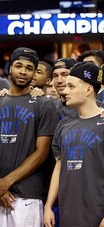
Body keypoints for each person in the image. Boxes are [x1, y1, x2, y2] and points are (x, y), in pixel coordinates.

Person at [0, 47, 59, 226]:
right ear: (10, 68)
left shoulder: (44, 105)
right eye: (18, 66)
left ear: (34, 74)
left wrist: (5, 182)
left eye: (29, 68)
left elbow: (42, 153)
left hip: (28, 196)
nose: (23, 71)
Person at [44, 61, 104, 227]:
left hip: (97, 212)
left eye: (71, 86)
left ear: (88, 89)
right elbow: (59, 166)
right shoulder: (64, 125)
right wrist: (49, 205)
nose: (65, 90)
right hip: (68, 211)